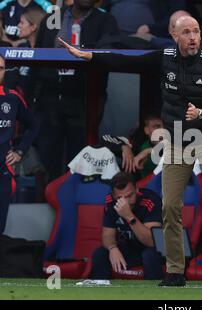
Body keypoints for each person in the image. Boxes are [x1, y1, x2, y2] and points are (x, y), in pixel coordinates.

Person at [60, 15, 202, 288]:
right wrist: (90, 56)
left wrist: (201, 112)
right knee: (169, 206)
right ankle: (176, 270)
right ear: (175, 36)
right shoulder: (163, 57)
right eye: (187, 32)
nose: (193, 37)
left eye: (197, 32)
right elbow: (126, 61)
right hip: (178, 140)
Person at [29, 0, 119, 181]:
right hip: (51, 97)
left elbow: (108, 55)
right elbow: (37, 58)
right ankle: (47, 199)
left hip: (83, 99)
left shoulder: (105, 20)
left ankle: (75, 201)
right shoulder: (53, 17)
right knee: (47, 156)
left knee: (79, 156)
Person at [91, 172, 164, 280]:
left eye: (130, 195)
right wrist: (112, 248)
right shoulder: (111, 202)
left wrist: (129, 216)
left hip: (158, 248)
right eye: (120, 198)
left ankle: (154, 294)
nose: (126, 202)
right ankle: (101, 293)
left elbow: (152, 241)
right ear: (114, 196)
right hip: (132, 247)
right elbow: (107, 235)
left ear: (137, 190)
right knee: (100, 254)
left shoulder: (150, 200)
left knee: (149, 255)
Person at [0, 54, 39, 234]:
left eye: (1, 68)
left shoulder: (12, 98)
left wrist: (20, 151)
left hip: (3, 172)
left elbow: (33, 125)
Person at [101, 113, 164, 178]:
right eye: (156, 127)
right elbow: (105, 138)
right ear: (146, 130)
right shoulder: (138, 144)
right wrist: (124, 147)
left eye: (165, 127)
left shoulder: (171, 146)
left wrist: (149, 151)